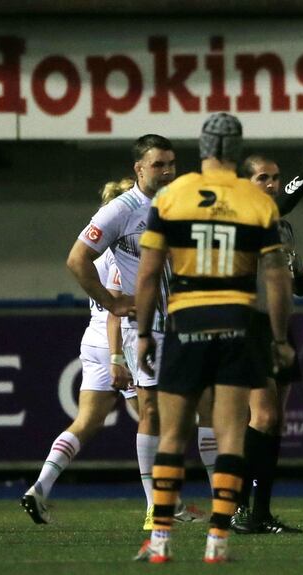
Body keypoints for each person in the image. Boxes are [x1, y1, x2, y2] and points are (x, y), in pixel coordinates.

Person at [133, 112, 293, 563]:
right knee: (230, 437)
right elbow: (277, 278)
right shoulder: (256, 201)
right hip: (238, 324)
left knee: (172, 435)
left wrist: (144, 334)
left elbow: (148, 275)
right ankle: (217, 541)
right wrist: (279, 339)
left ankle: (160, 541)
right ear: (237, 151)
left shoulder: (172, 196)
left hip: (186, 322)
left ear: (202, 149)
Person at [65, 135, 184, 529]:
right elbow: (78, 259)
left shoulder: (180, 203)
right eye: (158, 165)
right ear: (139, 168)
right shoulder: (121, 210)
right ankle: (156, 507)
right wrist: (112, 303)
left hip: (186, 322)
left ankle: (224, 506)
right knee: (150, 411)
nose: (167, 172)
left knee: (196, 413)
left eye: (171, 163)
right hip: (146, 328)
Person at [230, 132, 303, 535]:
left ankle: (257, 511)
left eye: (275, 177)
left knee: (272, 423)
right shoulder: (245, 214)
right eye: (263, 178)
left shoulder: (281, 228)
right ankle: (243, 509)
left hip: (277, 328)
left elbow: (287, 280)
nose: (272, 184)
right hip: (249, 327)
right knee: (263, 416)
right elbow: (282, 202)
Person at [21, 179, 139, 524]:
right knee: (154, 421)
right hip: (122, 338)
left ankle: (41, 485)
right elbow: (120, 299)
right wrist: (120, 355)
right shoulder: (124, 245)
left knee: (87, 421)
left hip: (93, 338)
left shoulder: (93, 242)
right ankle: (162, 506)